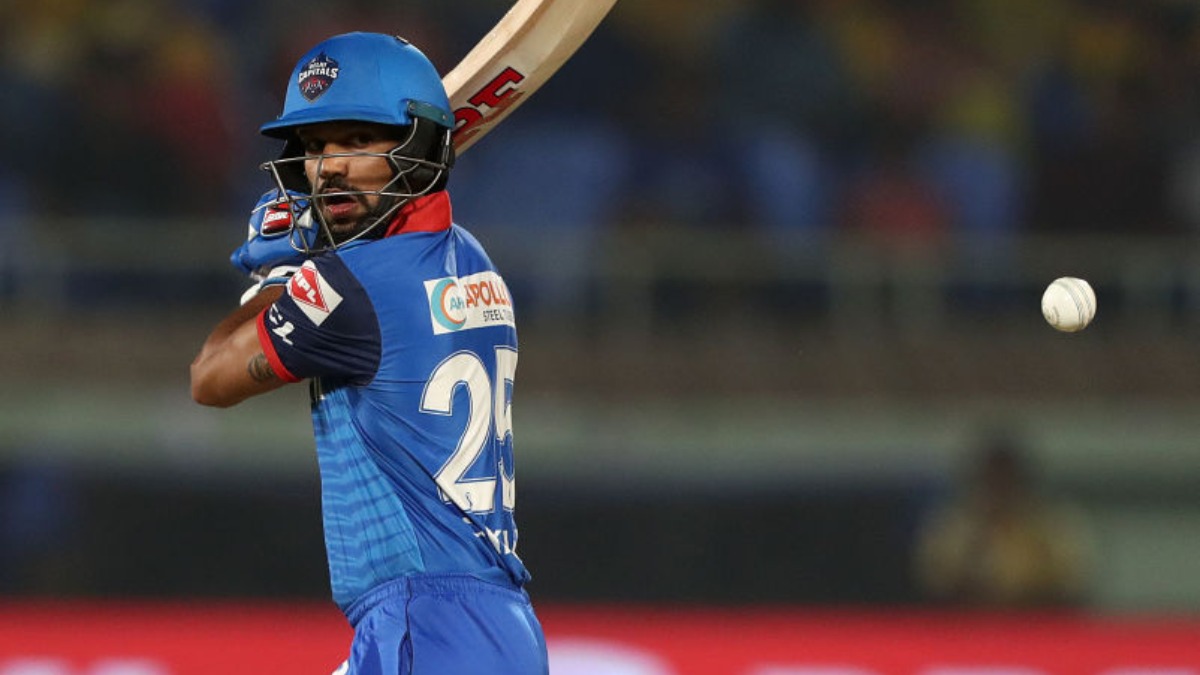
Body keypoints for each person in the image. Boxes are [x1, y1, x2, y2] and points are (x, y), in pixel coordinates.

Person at [190, 32, 548, 674]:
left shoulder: (352, 285)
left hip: (423, 624)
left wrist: (278, 274)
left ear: (418, 143)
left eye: (357, 141)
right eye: (314, 147)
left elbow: (211, 377)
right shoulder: (473, 259)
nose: (330, 167)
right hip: (495, 627)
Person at [912, 429, 1093, 609]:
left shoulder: (1051, 525)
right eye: (993, 479)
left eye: (1007, 479)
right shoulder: (954, 525)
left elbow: (1071, 584)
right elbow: (935, 584)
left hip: (1034, 618)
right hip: (968, 619)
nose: (1000, 488)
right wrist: (977, 541)